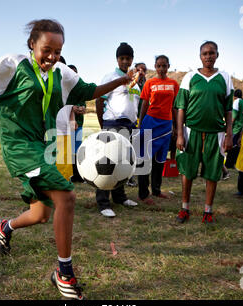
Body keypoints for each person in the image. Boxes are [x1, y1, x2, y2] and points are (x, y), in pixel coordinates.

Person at [0, 19, 136, 300]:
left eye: (58, 51)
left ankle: (5, 226)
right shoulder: (11, 65)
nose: (53, 57)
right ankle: (63, 272)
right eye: (47, 49)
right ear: (33, 44)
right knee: (67, 196)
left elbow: (88, 91)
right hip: (18, 147)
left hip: (43, 148)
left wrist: (120, 80)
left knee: (41, 215)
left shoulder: (62, 73)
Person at [174, 41, 234, 224]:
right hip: (191, 130)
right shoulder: (190, 76)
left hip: (216, 133)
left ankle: (208, 211)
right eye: (205, 53)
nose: (208, 56)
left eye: (212, 53)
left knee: (212, 172)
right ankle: (185, 208)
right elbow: (181, 107)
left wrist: (229, 133)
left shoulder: (224, 77)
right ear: (200, 56)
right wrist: (179, 133)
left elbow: (228, 109)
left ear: (217, 55)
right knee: (188, 171)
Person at [95, 42, 140, 218]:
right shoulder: (110, 77)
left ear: (132, 59)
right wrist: (102, 124)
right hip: (112, 123)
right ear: (117, 59)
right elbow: (99, 100)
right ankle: (103, 202)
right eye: (122, 58)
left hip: (129, 125)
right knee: (107, 162)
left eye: (128, 58)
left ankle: (120, 197)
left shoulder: (135, 81)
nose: (125, 61)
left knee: (123, 162)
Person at [137, 55, 179, 205]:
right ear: (155, 67)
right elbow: (144, 104)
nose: (161, 69)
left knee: (160, 159)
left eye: (164, 66)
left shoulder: (174, 84)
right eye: (159, 66)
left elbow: (175, 107)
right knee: (144, 158)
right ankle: (143, 194)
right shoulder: (149, 83)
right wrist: (140, 124)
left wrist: (175, 126)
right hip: (150, 122)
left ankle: (156, 190)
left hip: (166, 124)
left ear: (168, 66)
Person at [67, 64, 86, 183]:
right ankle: (71, 175)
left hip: (79, 124)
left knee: (77, 150)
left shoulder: (79, 89)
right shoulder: (64, 89)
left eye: (75, 73)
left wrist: (80, 109)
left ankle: (77, 175)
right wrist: (73, 108)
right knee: (69, 150)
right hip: (68, 125)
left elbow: (83, 107)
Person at [224, 89, 243, 170]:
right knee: (237, 146)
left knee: (230, 145)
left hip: (235, 128)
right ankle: (233, 163)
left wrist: (228, 126)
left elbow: (234, 115)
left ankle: (228, 164)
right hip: (242, 127)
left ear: (234, 96)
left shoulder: (236, 102)